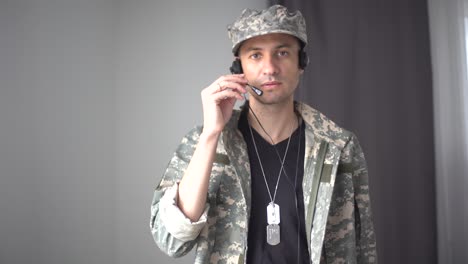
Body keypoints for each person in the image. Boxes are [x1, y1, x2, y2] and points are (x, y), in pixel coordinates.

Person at [150, 5, 377, 264]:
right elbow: (171, 239)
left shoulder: (338, 145)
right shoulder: (203, 141)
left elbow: (362, 247)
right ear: (238, 68)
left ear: (301, 63)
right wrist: (212, 134)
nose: (270, 68)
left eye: (282, 53)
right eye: (255, 56)